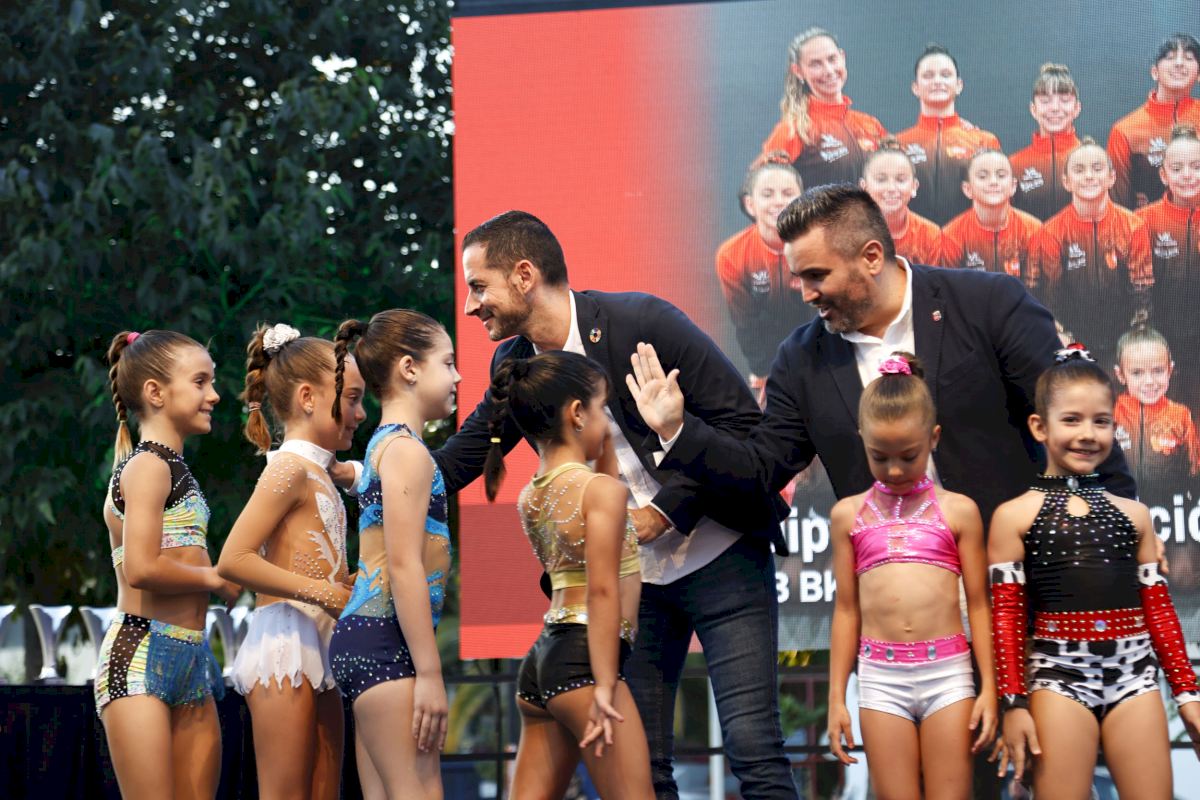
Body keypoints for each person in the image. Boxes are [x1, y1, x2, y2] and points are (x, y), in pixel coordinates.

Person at [436, 211, 797, 799]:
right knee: (643, 768)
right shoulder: (515, 366)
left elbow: (745, 432)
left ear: (524, 276)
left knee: (754, 750)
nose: (472, 305)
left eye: (479, 286)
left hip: (724, 556)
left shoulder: (642, 321)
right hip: (635, 585)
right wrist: (374, 471)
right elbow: (466, 453)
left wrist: (666, 510)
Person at [624, 183, 1134, 535]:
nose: (806, 294)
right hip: (903, 608)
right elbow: (760, 470)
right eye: (799, 278)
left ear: (871, 256)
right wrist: (678, 432)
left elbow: (1071, 415)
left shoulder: (988, 304)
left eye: (817, 276)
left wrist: (1119, 530)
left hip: (1015, 575)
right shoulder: (801, 360)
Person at [988, 347, 1200, 796]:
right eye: (1072, 420)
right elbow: (1006, 617)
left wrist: (1187, 694)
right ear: (1040, 427)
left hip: (1135, 675)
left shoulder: (1135, 515)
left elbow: (1160, 612)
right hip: (1057, 675)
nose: (1088, 434)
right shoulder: (1013, 516)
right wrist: (1014, 704)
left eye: (1101, 422)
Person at [483, 351, 654, 798]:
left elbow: (599, 510)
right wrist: (605, 683)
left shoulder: (532, 494)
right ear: (577, 413)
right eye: (602, 409)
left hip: (545, 661)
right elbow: (601, 591)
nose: (607, 421)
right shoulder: (601, 492)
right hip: (586, 667)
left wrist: (606, 447)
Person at [826, 353, 996, 799]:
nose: (896, 469)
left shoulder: (960, 511)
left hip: (949, 676)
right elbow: (846, 611)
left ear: (933, 438)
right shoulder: (847, 516)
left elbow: (980, 604)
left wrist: (991, 688)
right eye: (880, 457)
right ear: (862, 439)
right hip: (880, 679)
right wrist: (836, 698)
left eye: (909, 455)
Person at [216, 324, 366, 800]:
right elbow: (233, 559)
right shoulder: (287, 468)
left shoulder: (317, 473)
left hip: (320, 638)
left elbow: (317, 562)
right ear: (307, 397)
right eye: (353, 398)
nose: (361, 414)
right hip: (285, 638)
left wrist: (351, 582)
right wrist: (325, 592)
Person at [95, 329, 240, 799]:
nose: (214, 395)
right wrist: (213, 577)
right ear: (156, 393)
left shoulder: (173, 469)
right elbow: (140, 569)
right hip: (140, 652)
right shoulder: (147, 467)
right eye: (200, 382)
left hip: (191, 658)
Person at [327, 310, 459, 799]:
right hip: (387, 643)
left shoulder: (384, 447)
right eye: (447, 363)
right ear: (409, 368)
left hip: (369, 641)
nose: (457, 377)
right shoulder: (406, 452)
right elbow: (404, 565)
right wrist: (430, 673)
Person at [1032, 138, 1153, 369]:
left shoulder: (1133, 226)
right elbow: (1051, 297)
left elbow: (1142, 292)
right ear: (1066, 182)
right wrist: (1065, 339)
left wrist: (1136, 338)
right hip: (1074, 338)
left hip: (1124, 338)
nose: (1089, 176)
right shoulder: (1051, 232)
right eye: (1079, 170)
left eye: (1097, 169)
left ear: (1112, 177)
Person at [716, 160, 809, 393]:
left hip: (817, 351)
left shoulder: (821, 245)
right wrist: (764, 372)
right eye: (767, 194)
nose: (779, 201)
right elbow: (745, 322)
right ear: (750, 204)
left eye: (788, 193)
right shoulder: (732, 255)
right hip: (767, 359)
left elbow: (830, 314)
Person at [758, 27, 886, 189]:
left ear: (842, 57)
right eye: (815, 64)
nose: (829, 71)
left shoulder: (870, 125)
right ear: (798, 71)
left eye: (832, 59)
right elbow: (760, 190)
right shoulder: (794, 130)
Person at [897, 44, 1001, 225]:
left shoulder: (984, 141)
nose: (937, 81)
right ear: (915, 87)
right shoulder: (898, 144)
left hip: (967, 240)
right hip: (915, 239)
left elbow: (999, 201)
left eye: (945, 75)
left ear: (959, 85)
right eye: (928, 76)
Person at [1136, 123, 1200, 406]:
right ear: (1163, 175)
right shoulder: (1144, 221)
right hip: (1163, 342)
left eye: (1196, 167)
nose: (1187, 175)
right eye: (1177, 168)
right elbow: (1138, 288)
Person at [1107, 33, 1200, 210]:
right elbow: (1118, 207)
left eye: (1188, 58)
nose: (1179, 63)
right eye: (1170, 57)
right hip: (1147, 225)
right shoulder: (1125, 131)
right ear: (1154, 72)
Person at [1112, 327, 1200, 492]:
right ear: (1121, 375)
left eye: (1158, 371)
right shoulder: (1111, 412)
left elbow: (1193, 470)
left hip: (1168, 503)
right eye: (1137, 373)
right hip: (1121, 500)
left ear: (1170, 371)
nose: (1149, 381)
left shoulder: (1180, 415)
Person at [940, 150, 1041, 290]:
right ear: (967, 189)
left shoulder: (1033, 230)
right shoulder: (951, 235)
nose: (993, 182)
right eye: (982, 176)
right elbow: (949, 290)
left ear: (1013, 186)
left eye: (1001, 175)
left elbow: (1034, 289)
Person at [1009, 64, 1083, 221]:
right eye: (1045, 101)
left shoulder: (1092, 161)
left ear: (1077, 108)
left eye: (1064, 100)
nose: (1055, 108)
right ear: (1033, 109)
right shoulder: (1014, 165)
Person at [859, 137, 943, 268]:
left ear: (914, 187)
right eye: (881, 179)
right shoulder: (847, 231)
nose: (891, 188)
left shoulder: (930, 235)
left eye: (900, 180)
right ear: (864, 187)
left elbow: (932, 279)